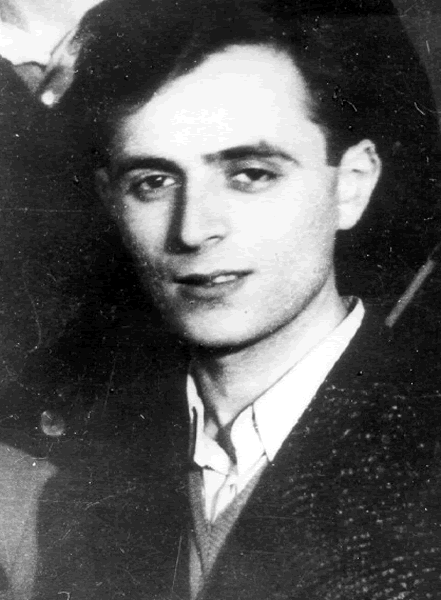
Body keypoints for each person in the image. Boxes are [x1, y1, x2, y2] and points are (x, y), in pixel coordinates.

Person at [61, 0, 441, 598]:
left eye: (251, 174)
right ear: (112, 201)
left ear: (351, 185)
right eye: (153, 182)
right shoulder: (79, 473)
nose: (193, 229)